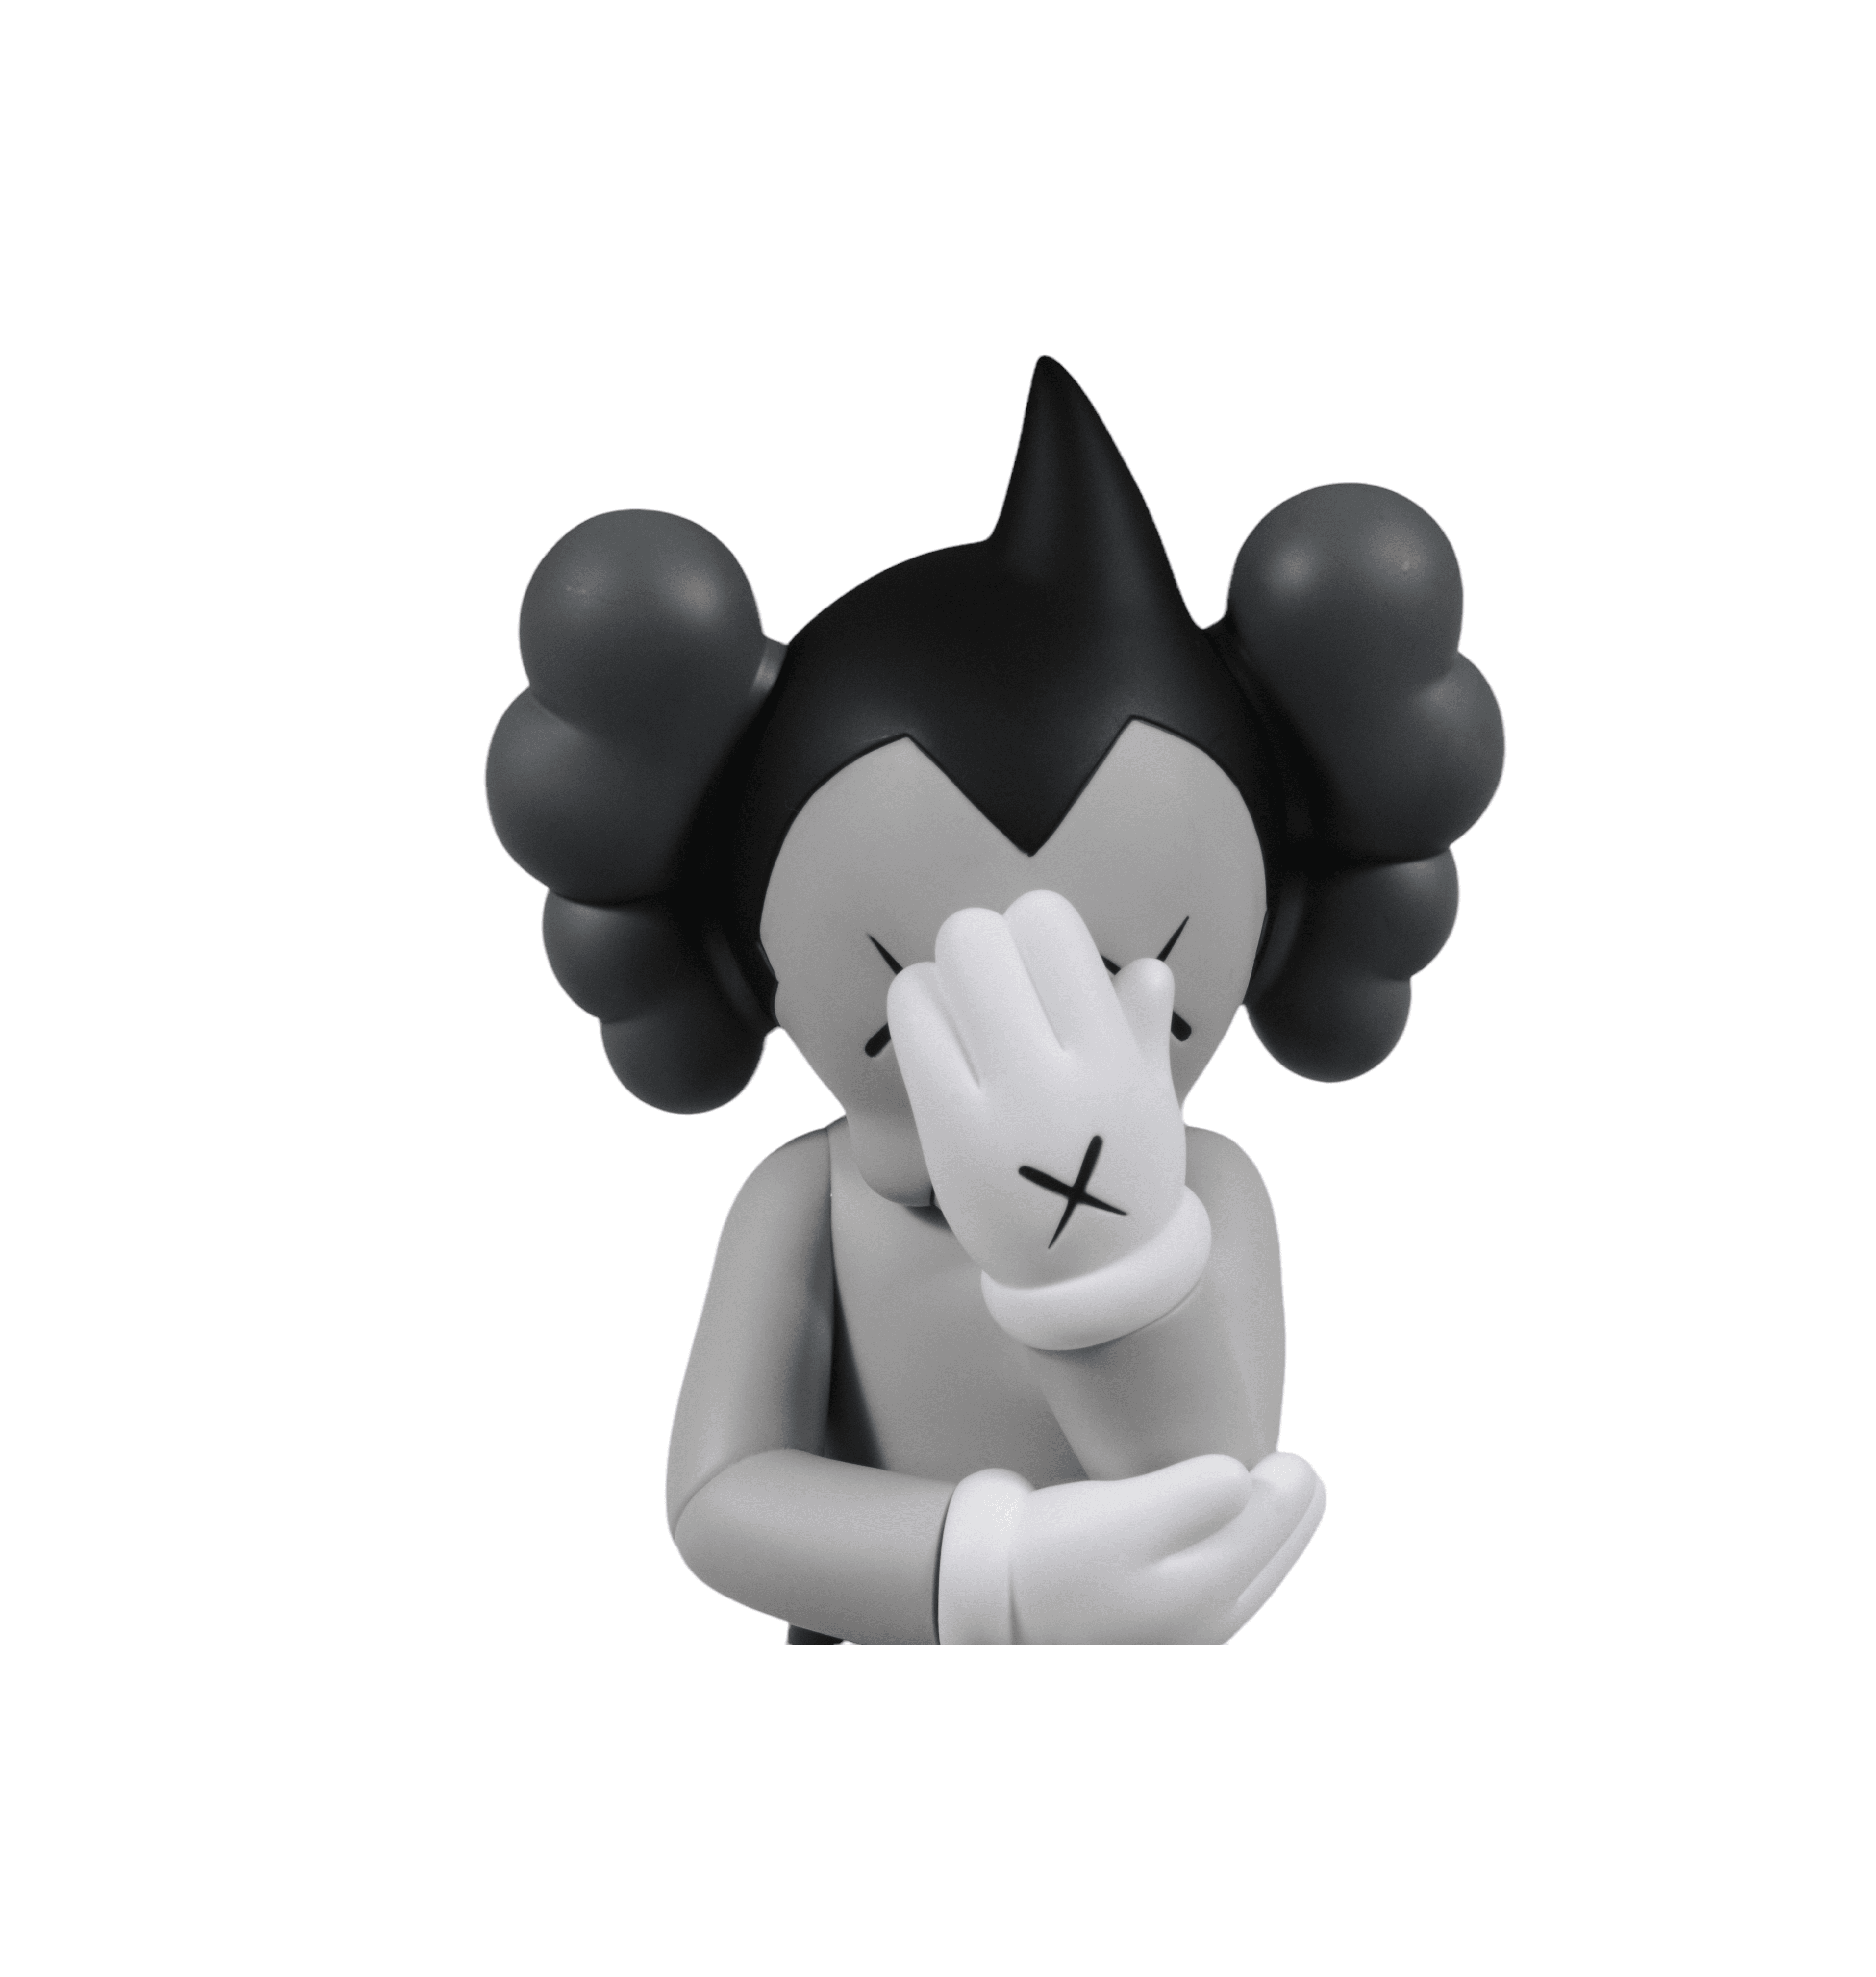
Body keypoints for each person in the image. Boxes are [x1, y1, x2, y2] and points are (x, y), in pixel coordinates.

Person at [487, 359, 1502, 1643]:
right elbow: (718, 1496)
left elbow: (1213, 1489)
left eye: (1137, 983)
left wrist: (1111, 1260)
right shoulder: (807, 1202)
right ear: (750, 964)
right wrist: (990, 1577)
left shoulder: (1214, 1194)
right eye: (911, 988)